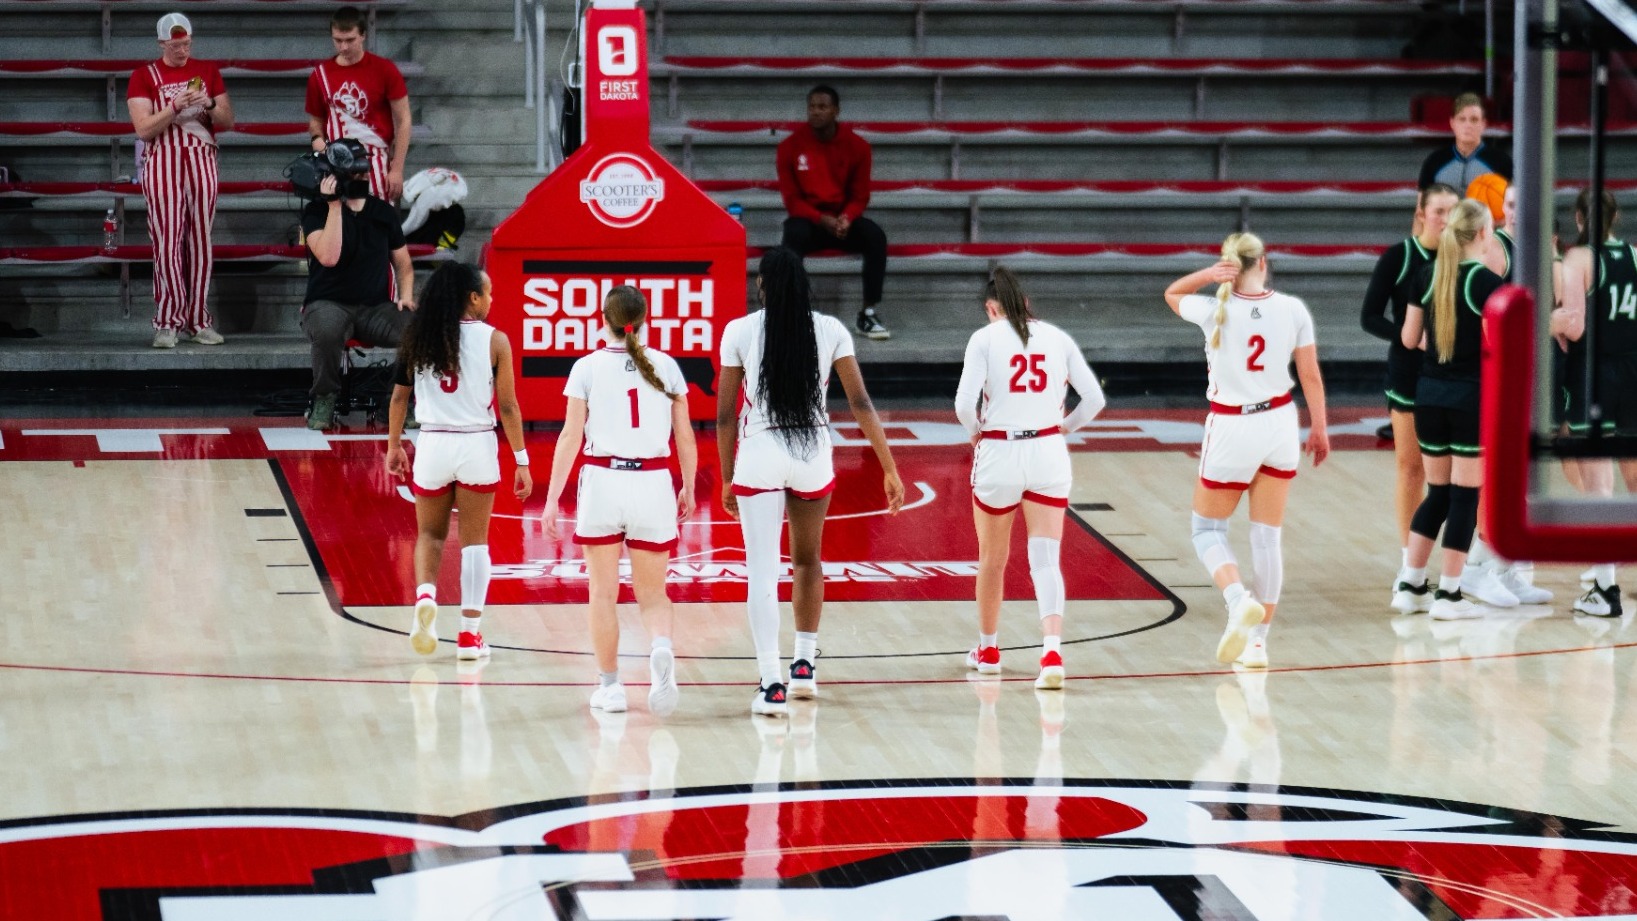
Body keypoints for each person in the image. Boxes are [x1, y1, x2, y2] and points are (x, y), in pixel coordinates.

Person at [717, 246, 904, 717]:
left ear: (761, 284)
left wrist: (725, 477)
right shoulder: (831, 329)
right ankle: (804, 664)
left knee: (761, 571)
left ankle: (771, 683)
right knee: (808, 560)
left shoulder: (739, 330)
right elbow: (860, 403)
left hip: (760, 452)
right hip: (812, 452)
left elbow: (723, 417)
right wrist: (889, 466)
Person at [1164, 233, 1330, 668]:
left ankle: (1237, 599)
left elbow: (1172, 293)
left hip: (1233, 426)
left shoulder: (1212, 309)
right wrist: (1321, 428)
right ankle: (1258, 643)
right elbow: (1310, 376)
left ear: (1227, 266)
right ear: (1265, 261)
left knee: (1207, 530)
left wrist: (1206, 274)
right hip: (1279, 423)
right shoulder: (1293, 309)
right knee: (1266, 536)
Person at [541, 286, 697, 716]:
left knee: (602, 593)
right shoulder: (666, 366)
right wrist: (689, 485)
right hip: (653, 482)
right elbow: (684, 434)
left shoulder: (586, 367)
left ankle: (610, 687)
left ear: (602, 318)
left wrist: (552, 497)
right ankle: (660, 648)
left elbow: (571, 436)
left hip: (604, 481)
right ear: (646, 319)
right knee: (653, 594)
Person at [954, 267, 1106, 688]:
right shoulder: (1057, 337)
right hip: (1047, 453)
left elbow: (964, 405)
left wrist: (976, 432)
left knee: (992, 558)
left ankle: (988, 650)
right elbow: (1093, 399)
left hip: (1000, 452)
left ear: (991, 307)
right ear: (1026, 305)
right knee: (1045, 558)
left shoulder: (983, 339)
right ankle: (1052, 652)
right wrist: (1065, 428)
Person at [384, 262, 532, 661]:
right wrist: (522, 459)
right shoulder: (495, 340)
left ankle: (425, 599)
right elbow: (509, 407)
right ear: (472, 298)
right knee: (474, 543)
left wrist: (393, 446)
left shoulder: (418, 335)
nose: (492, 300)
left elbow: (399, 398)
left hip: (433, 444)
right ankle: (469, 636)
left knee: (429, 536)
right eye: (488, 293)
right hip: (476, 445)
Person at [1397, 198, 1504, 621]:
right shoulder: (1488, 284)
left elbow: (1409, 338)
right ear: (1481, 234)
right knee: (1465, 497)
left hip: (1428, 394)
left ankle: (1410, 584)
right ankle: (1449, 595)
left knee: (1438, 494)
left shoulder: (1427, 274)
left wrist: (1443, 351)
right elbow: (1498, 347)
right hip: (1469, 399)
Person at [1361, 183, 1459, 600]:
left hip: (1456, 379)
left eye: (1452, 212)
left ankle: (1460, 565)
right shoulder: (1400, 257)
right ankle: (1410, 561)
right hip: (1409, 377)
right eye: (1438, 211)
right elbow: (1369, 316)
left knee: (1458, 475)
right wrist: (1407, 337)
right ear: (1421, 212)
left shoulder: (1464, 259)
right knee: (1412, 468)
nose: (1445, 219)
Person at [126, 12, 233, 349]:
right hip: (163, 160)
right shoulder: (144, 75)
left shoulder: (208, 71)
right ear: (162, 43)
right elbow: (143, 128)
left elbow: (227, 121)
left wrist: (210, 102)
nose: (182, 50)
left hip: (201, 157)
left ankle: (198, 319)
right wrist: (173, 107)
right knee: (167, 242)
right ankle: (167, 320)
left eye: (186, 43)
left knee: (200, 241)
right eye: (175, 45)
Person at [1552, 189, 1634, 617]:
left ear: (1579, 219)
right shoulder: (1636, 255)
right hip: (1633, 372)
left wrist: (1552, 322)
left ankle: (1605, 589)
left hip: (1595, 374)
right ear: (1616, 217)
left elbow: (1577, 326)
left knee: (1598, 485)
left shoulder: (1578, 259)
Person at [301, 162, 416, 429]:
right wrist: (333, 206)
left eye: (364, 172)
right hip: (327, 302)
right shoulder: (316, 211)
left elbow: (403, 264)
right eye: (354, 173)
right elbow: (329, 257)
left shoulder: (383, 213)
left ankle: (396, 402)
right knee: (328, 329)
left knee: (416, 330)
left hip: (375, 307)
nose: (361, 177)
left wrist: (406, 295)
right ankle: (324, 397)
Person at [776, 85, 892, 341]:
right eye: (811, 107)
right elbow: (792, 200)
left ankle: (868, 313)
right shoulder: (789, 147)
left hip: (842, 220)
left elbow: (860, 194)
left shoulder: (858, 147)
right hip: (809, 220)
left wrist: (847, 217)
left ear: (836, 111)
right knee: (791, 235)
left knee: (875, 236)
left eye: (822, 107)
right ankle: (791, 313)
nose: (815, 112)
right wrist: (821, 219)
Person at [306, 5, 411, 203]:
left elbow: (404, 119)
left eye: (350, 40)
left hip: (376, 161)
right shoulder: (320, 75)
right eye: (338, 40)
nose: (344, 47)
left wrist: (397, 168)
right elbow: (315, 123)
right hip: (336, 163)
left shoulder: (385, 70)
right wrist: (321, 147)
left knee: (377, 228)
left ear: (363, 35)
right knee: (336, 229)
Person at [1417, 93, 1513, 193]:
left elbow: (1514, 204)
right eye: (1462, 119)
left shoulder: (1502, 162)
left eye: (1474, 120)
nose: (1468, 125)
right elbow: (1421, 207)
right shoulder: (1434, 161)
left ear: (1483, 124)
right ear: (1452, 123)